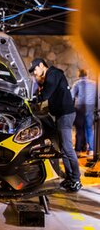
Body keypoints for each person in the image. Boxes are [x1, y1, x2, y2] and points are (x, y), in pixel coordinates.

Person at [29, 58, 82, 192]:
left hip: (65, 115)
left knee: (68, 149)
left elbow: (45, 95)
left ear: (41, 65)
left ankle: (76, 179)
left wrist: (31, 101)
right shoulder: (51, 76)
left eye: (35, 69)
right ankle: (70, 178)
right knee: (63, 149)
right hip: (61, 114)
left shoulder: (53, 74)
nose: (34, 73)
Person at [71, 69, 96, 157]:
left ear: (79, 74)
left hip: (80, 108)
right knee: (89, 129)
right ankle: (92, 150)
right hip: (91, 107)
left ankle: (78, 151)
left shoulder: (77, 84)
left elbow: (71, 96)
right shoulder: (94, 84)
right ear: (87, 74)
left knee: (79, 130)